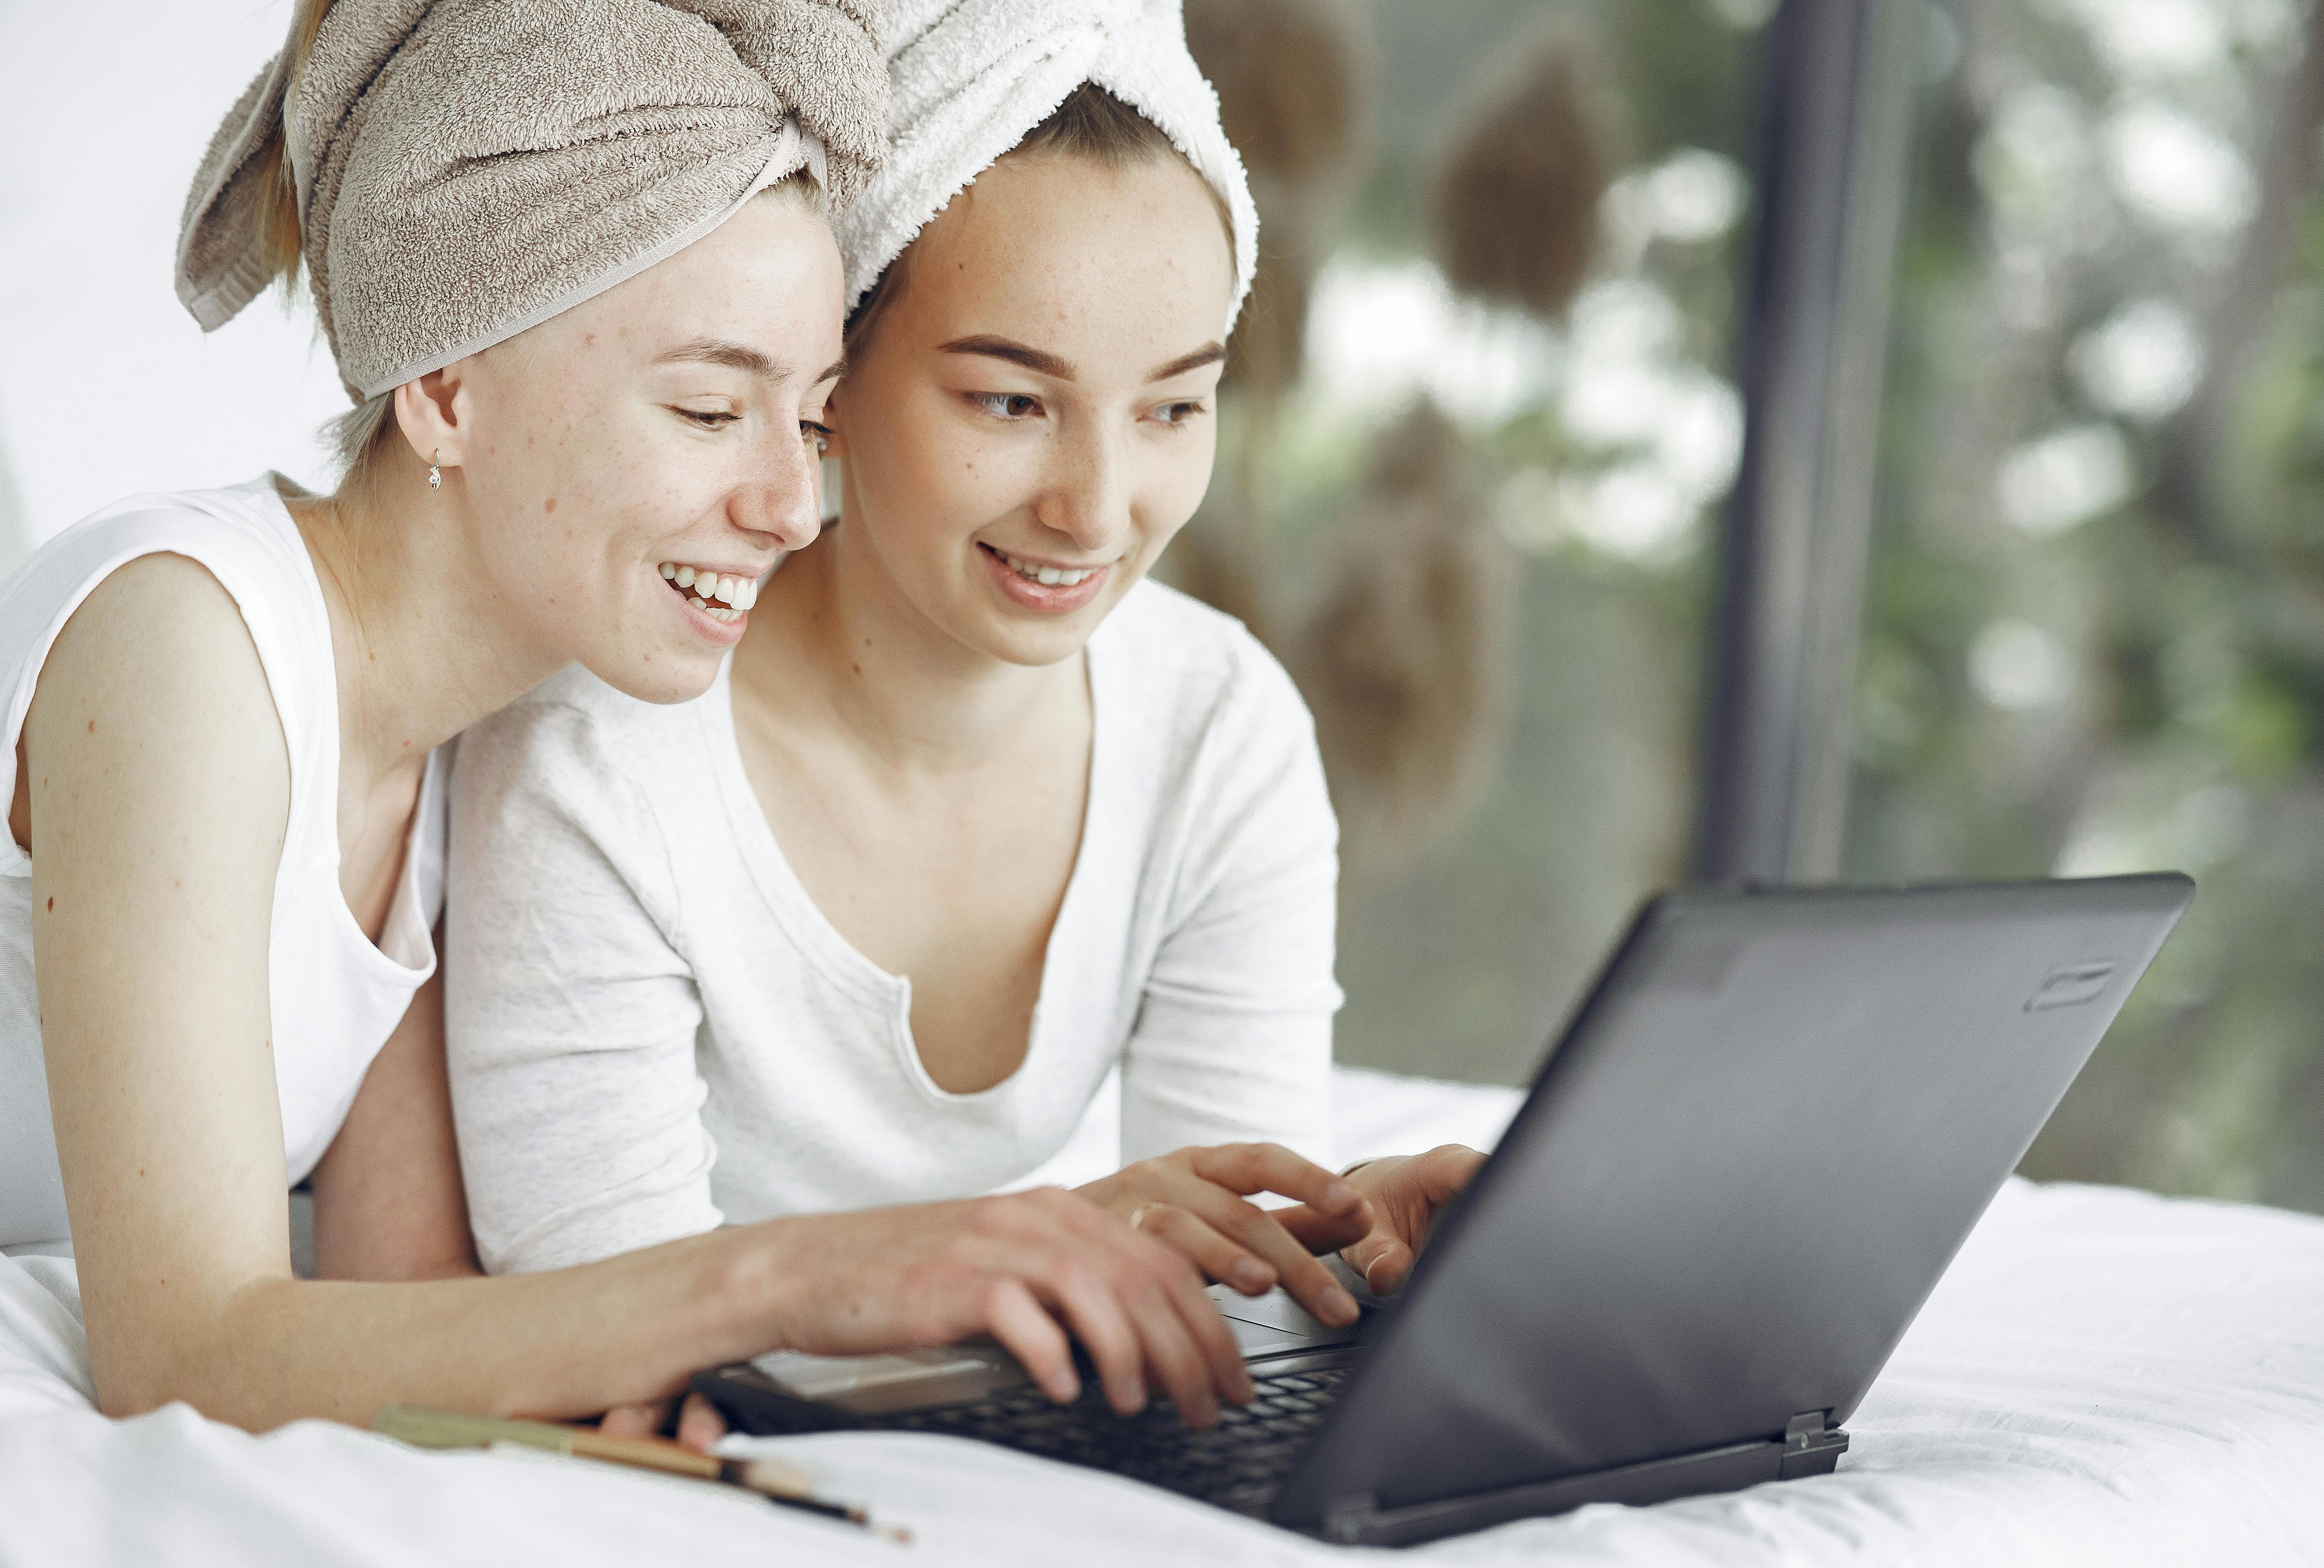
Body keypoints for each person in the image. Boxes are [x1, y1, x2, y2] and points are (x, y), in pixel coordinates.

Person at [2, 0, 1261, 1438]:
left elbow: (404, 1298)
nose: (792, 509)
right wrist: (787, 1279)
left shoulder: (455, 735)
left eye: (809, 416)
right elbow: (183, 1355)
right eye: (711, 412)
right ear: (446, 388)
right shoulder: (186, 644)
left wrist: (1069, 1240)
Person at [445, 0, 1484, 1441]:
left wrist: (1330, 1244)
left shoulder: (1218, 725)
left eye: (1175, 410)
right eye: (1010, 399)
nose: (1097, 508)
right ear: (835, 385)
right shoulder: (600, 750)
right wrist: (1066, 1232)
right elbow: (607, 1327)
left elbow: (1212, 1290)